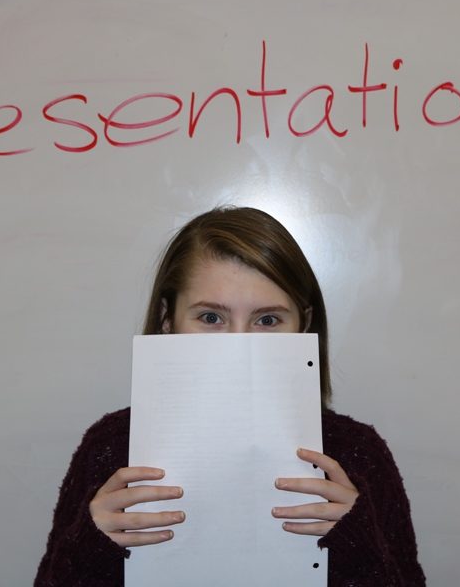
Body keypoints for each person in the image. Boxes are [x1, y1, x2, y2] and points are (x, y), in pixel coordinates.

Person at [34, 207, 426, 586]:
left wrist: (356, 543)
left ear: (303, 326)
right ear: (168, 320)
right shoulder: (111, 446)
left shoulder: (358, 453)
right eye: (211, 318)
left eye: (267, 320)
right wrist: (90, 545)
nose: (239, 343)